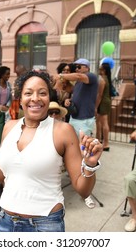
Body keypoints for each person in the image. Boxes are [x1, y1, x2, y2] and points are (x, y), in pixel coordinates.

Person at [0, 71, 103, 232]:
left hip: (45, 224)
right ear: (20, 99)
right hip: (6, 222)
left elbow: (83, 189)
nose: (35, 98)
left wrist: (90, 165)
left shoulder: (62, 131)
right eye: (28, 93)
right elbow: (1, 173)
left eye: (42, 93)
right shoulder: (9, 127)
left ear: (49, 98)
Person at [57, 58, 99, 209]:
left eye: (78, 66)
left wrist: (61, 75)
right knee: (71, 149)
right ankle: (77, 175)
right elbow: (75, 95)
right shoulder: (79, 83)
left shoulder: (91, 77)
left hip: (84, 121)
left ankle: (86, 193)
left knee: (84, 153)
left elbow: (79, 77)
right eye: (75, 66)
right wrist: (69, 101)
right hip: (75, 119)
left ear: (86, 67)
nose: (76, 69)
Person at [95, 60, 113, 152]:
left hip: (103, 102)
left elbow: (100, 95)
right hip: (106, 101)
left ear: (104, 70)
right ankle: (99, 140)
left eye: (100, 69)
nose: (99, 70)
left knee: (104, 122)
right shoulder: (107, 78)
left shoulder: (102, 80)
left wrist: (95, 106)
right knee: (98, 121)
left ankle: (105, 143)